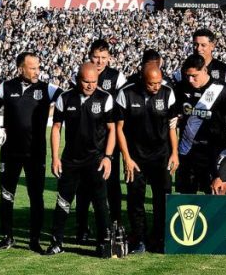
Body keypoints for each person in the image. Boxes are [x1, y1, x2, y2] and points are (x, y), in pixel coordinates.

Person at [0, 51, 60, 253]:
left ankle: (34, 240)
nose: (37, 71)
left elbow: (68, 98)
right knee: (6, 195)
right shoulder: (6, 87)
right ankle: (7, 236)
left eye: (38, 67)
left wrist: (53, 112)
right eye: (33, 68)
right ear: (21, 68)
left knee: (35, 197)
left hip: (35, 153)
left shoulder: (47, 88)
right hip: (10, 152)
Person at [45, 63, 117, 257]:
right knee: (62, 202)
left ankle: (104, 243)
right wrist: (55, 158)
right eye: (86, 81)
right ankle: (56, 242)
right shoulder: (65, 97)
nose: (90, 85)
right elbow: (56, 128)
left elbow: (112, 130)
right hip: (70, 161)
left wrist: (108, 157)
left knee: (101, 203)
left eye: (94, 81)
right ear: (78, 79)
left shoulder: (105, 98)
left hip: (96, 160)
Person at [114, 64, 178, 253]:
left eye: (158, 82)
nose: (156, 87)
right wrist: (126, 157)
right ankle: (139, 238)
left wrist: (174, 152)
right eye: (152, 84)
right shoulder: (126, 94)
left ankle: (159, 237)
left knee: (163, 198)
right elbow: (119, 129)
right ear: (142, 80)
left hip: (161, 156)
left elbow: (172, 127)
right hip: (136, 157)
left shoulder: (168, 93)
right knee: (135, 199)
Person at [76, 40, 131, 242]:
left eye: (103, 58)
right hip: (85, 142)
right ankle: (81, 226)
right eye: (95, 57)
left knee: (112, 184)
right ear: (89, 56)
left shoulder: (116, 77)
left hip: (108, 140)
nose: (99, 61)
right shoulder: (82, 74)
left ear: (109, 58)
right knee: (83, 187)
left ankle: (114, 223)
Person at [174, 54, 226, 194]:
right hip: (187, 150)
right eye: (187, 76)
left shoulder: (221, 91)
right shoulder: (181, 88)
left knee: (214, 195)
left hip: (212, 152)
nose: (190, 80)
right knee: (185, 197)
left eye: (194, 76)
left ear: (205, 70)